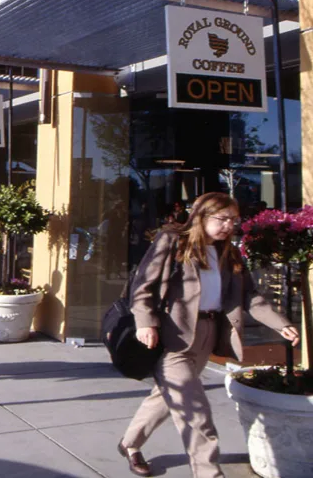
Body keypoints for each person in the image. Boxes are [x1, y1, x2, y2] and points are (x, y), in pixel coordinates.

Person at [117, 192, 299, 478]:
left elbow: (248, 295)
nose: (229, 225)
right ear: (201, 216)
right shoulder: (173, 241)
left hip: (208, 334)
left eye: (233, 220)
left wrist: (279, 323)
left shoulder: (230, 253)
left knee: (165, 398)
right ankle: (209, 473)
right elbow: (143, 283)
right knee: (195, 412)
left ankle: (129, 444)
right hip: (172, 336)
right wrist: (145, 322)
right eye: (222, 218)